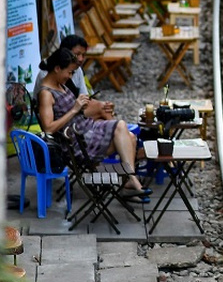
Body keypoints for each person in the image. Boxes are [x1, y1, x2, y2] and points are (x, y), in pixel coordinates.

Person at [36, 48, 148, 198]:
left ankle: (129, 183)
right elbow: (48, 128)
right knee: (128, 135)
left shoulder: (61, 85)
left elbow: (75, 113)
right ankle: (130, 181)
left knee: (125, 130)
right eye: (69, 72)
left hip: (88, 129)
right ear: (57, 68)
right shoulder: (46, 93)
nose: (70, 76)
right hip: (77, 142)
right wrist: (74, 110)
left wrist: (84, 107)